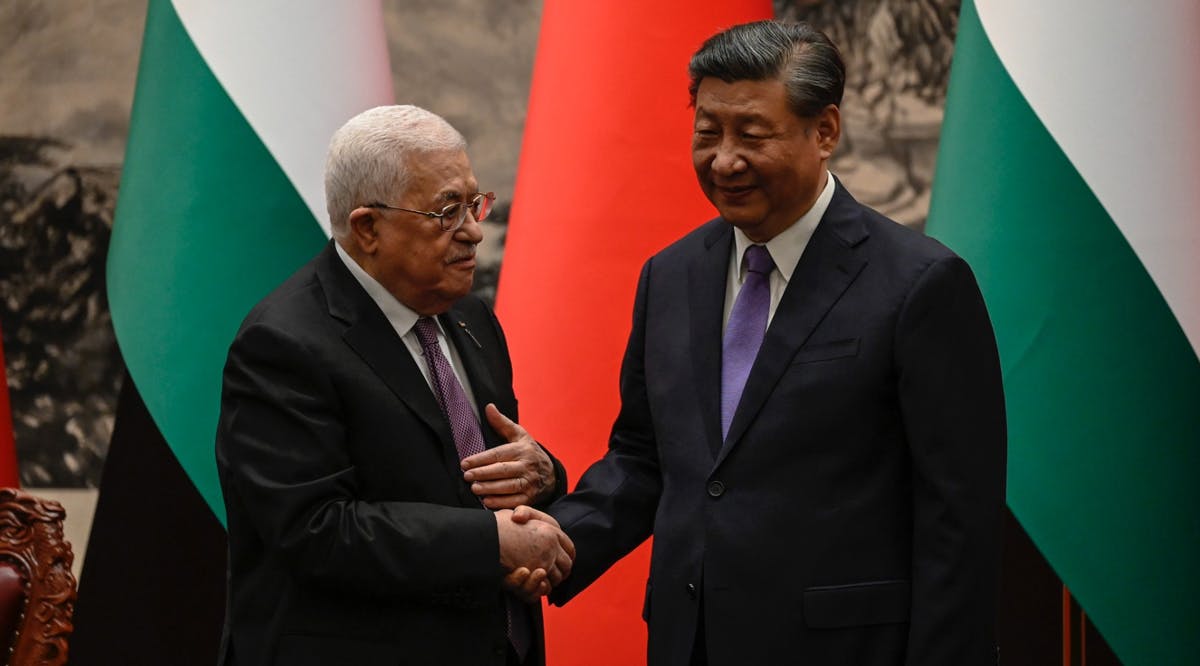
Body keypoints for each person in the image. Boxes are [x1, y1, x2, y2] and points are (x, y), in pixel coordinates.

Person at [540, 20, 1006, 665]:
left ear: (825, 132)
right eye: (707, 132)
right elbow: (647, 458)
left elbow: (959, 516)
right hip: (690, 643)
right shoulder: (670, 276)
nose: (724, 159)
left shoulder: (920, 284)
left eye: (752, 135)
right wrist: (554, 540)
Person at [215, 105, 573, 666]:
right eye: (446, 212)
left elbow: (473, 476)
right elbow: (315, 529)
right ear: (368, 228)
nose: (474, 231)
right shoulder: (283, 344)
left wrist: (544, 474)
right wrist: (493, 545)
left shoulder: (471, 318)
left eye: (475, 203)